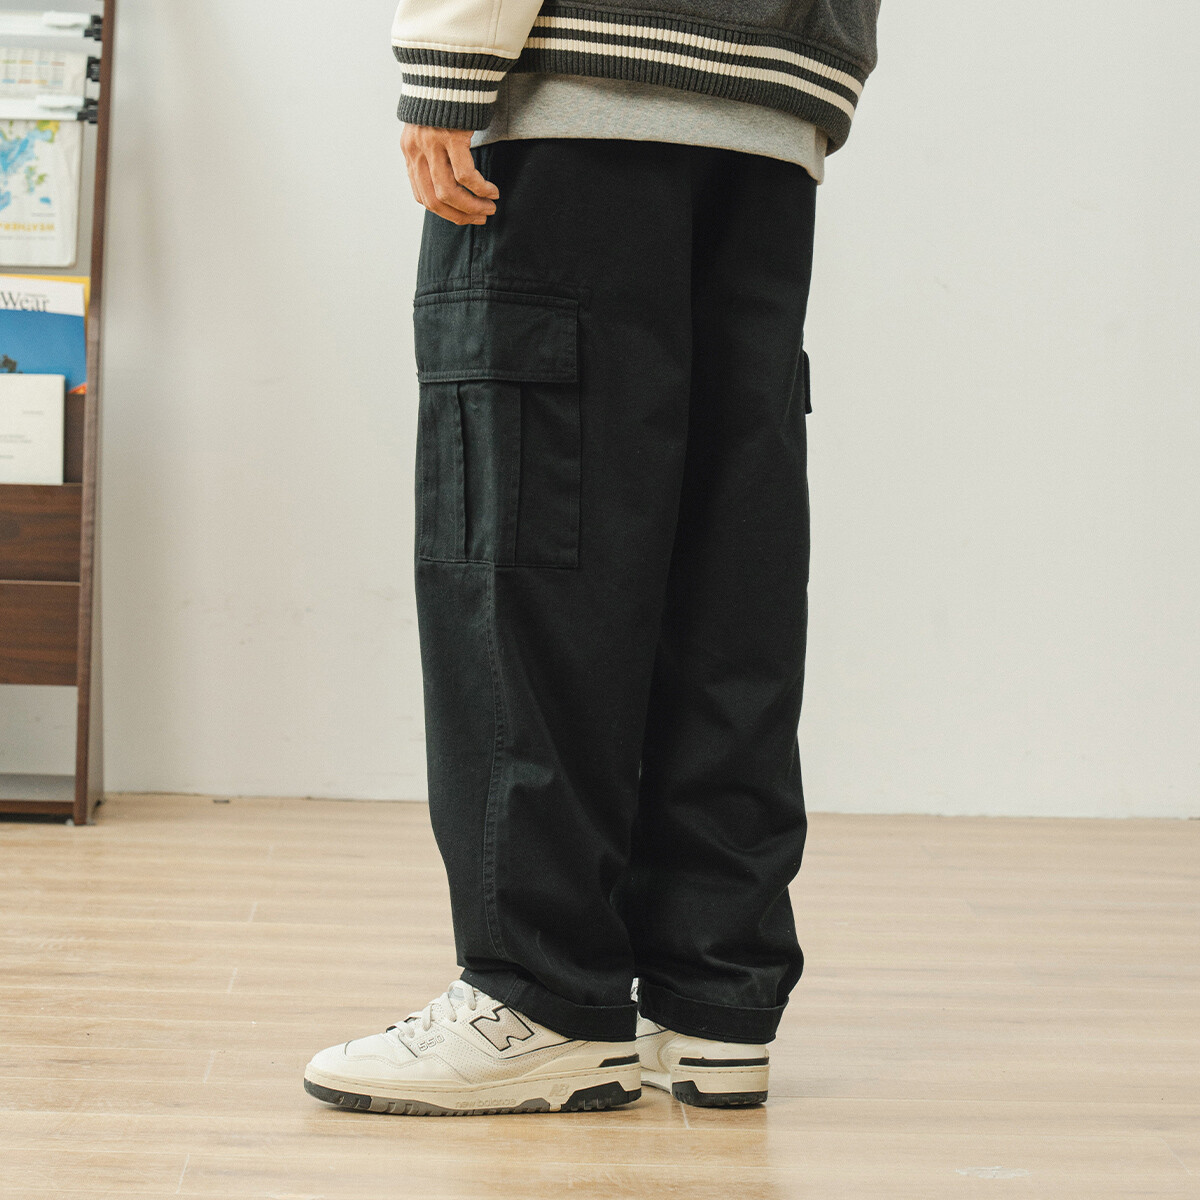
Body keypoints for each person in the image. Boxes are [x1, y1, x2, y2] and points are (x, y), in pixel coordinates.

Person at [305, 0, 882, 1116]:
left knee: (530, 558)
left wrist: (449, 59)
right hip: (774, 108)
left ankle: (539, 995)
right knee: (724, 559)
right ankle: (713, 997)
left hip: (580, 88)